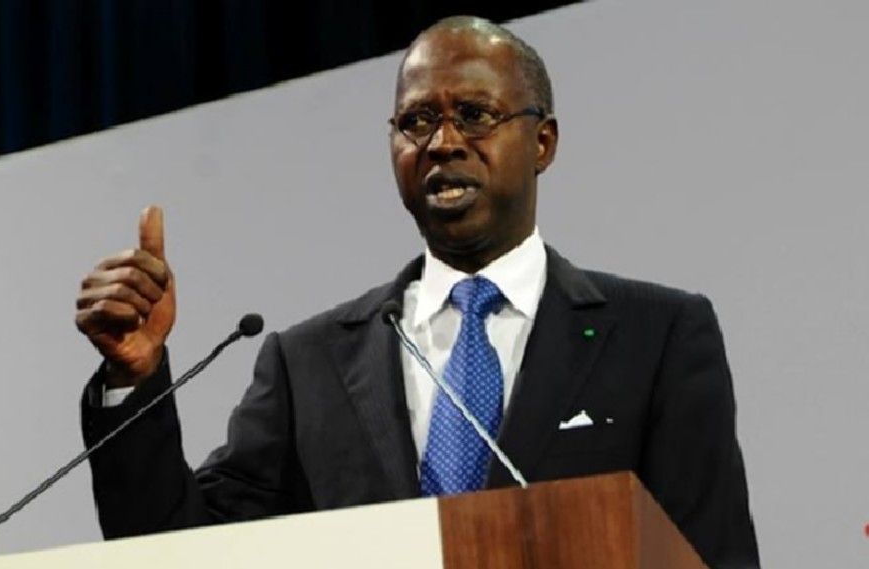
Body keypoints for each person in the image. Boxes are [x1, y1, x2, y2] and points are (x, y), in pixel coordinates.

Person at [76, 15, 760, 569]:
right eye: (416, 121)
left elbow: (710, 553)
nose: (442, 142)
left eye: (475, 114)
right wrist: (133, 377)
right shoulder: (307, 364)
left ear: (542, 142)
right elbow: (180, 551)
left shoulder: (658, 335)